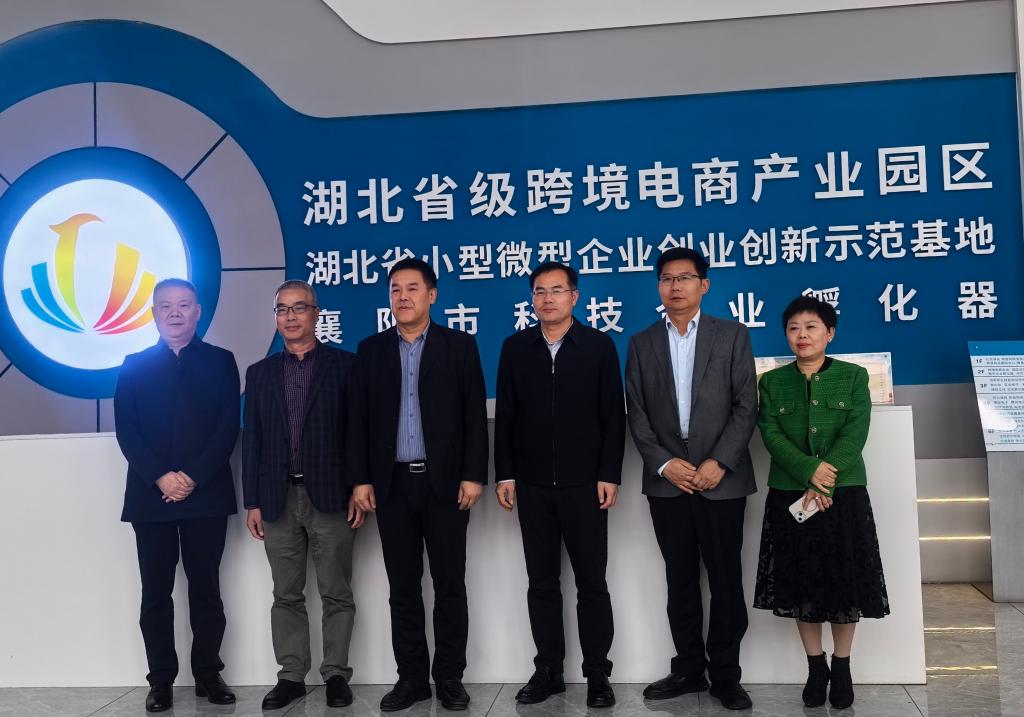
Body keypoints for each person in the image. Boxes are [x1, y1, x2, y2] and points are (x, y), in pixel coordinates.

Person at [349, 258, 488, 712]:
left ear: (432, 295)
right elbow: (359, 420)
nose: (402, 297)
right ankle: (411, 678)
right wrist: (361, 479)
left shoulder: (459, 346)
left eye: (412, 288)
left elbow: (473, 415)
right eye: (395, 289)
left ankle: (449, 677)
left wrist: (473, 474)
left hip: (444, 483)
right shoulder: (371, 350)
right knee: (402, 587)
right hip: (391, 485)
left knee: (450, 583)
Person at [625, 247, 758, 711]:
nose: (675, 286)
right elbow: (636, 411)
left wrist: (719, 461)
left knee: (725, 580)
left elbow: (746, 404)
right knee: (679, 578)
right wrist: (664, 463)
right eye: (666, 278)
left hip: (722, 479)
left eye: (684, 278)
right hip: (669, 482)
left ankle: (725, 675)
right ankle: (687, 669)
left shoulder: (732, 335)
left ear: (704, 285)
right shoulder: (641, 343)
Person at [494, 262, 625, 708]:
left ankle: (597, 673)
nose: (547, 299)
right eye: (539, 291)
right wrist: (506, 474)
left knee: (592, 582)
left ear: (574, 297)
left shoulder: (598, 346)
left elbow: (613, 415)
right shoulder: (516, 348)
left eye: (556, 290)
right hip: (532, 485)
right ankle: (548, 669)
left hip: (585, 484)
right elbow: (506, 416)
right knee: (541, 581)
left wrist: (609, 473)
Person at [754, 295, 890, 709]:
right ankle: (816, 666)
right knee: (802, 583)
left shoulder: (853, 377)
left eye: (811, 327)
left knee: (844, 583)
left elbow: (856, 431)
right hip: (790, 494)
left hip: (843, 495)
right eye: (794, 328)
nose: (802, 335)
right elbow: (771, 434)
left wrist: (825, 479)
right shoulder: (771, 383)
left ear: (829, 333)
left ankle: (842, 666)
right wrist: (808, 470)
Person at [114, 278, 240, 713]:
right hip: (151, 497)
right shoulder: (133, 365)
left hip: (206, 494)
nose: (174, 312)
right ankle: (161, 680)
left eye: (183, 305)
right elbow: (127, 431)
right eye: (165, 305)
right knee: (156, 592)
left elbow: (227, 427)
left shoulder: (221, 361)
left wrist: (190, 477)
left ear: (197, 312)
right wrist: (162, 478)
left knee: (206, 589)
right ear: (153, 312)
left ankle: (208, 673)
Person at [242, 280, 365, 711]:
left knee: (336, 591)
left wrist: (358, 486)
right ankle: (292, 675)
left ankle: (336, 675)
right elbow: (253, 440)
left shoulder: (345, 365)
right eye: (282, 309)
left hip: (331, 496)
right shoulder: (259, 374)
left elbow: (358, 432)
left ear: (316, 314)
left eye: (299, 308)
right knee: (286, 593)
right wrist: (252, 501)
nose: (290, 316)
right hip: (277, 499)